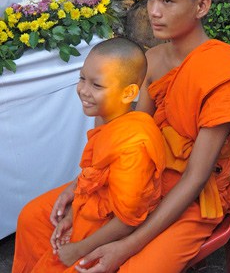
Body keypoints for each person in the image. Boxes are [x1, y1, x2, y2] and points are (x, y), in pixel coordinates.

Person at [13, 0, 230, 273]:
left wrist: (126, 245)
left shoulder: (222, 74)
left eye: (167, 2)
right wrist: (78, 187)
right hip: (142, 177)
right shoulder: (154, 60)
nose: (154, 12)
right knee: (35, 218)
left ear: (201, 6)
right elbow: (132, 133)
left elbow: (195, 179)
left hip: (194, 199)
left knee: (133, 267)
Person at [12, 37, 166, 272]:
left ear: (128, 93)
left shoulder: (134, 146)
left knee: (52, 261)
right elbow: (91, 176)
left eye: (97, 85)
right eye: (82, 78)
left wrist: (79, 249)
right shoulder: (108, 118)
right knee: (31, 219)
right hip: (90, 205)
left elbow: (127, 221)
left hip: (105, 227)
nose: (83, 90)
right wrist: (71, 214)